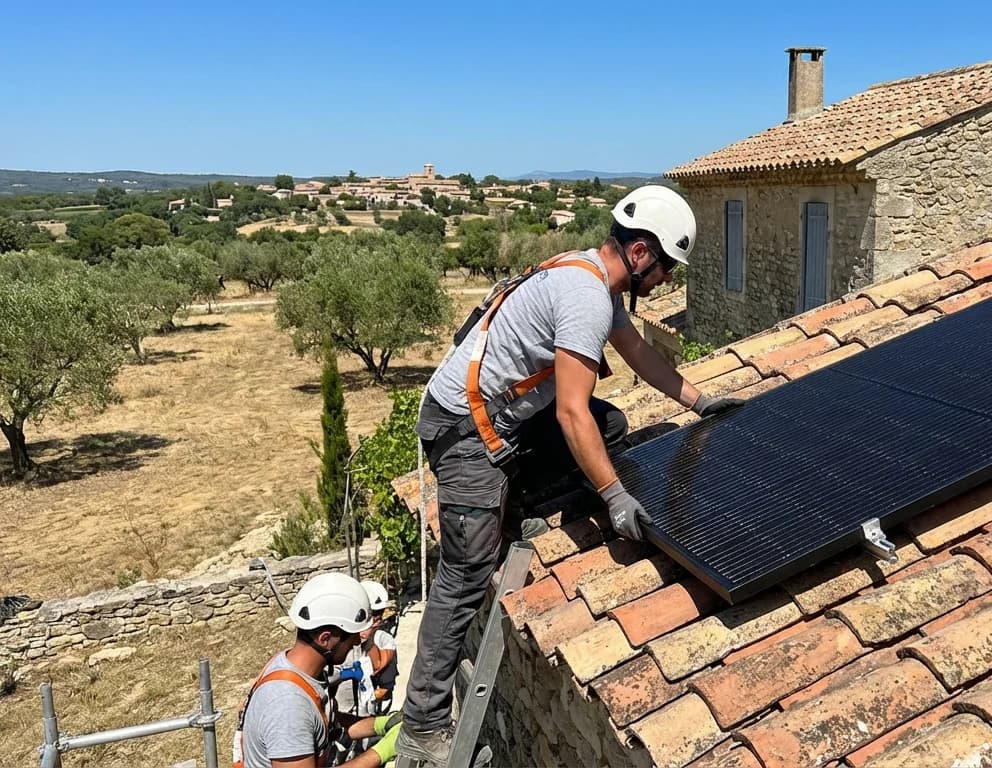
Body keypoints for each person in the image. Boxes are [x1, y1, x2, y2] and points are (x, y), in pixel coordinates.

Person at [396, 185, 743, 765]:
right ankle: (421, 726)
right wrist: (615, 495)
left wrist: (700, 401)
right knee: (468, 568)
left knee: (611, 426)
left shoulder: (596, 284)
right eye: (663, 269)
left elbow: (640, 356)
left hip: (503, 420)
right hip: (462, 430)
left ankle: (519, 495)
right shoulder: (585, 297)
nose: (663, 283)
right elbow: (569, 411)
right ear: (639, 253)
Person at [235, 572, 403, 768]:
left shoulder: (301, 669)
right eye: (352, 637)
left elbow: (323, 723)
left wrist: (380, 724)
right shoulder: (287, 706)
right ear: (325, 639)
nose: (357, 641)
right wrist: (380, 753)